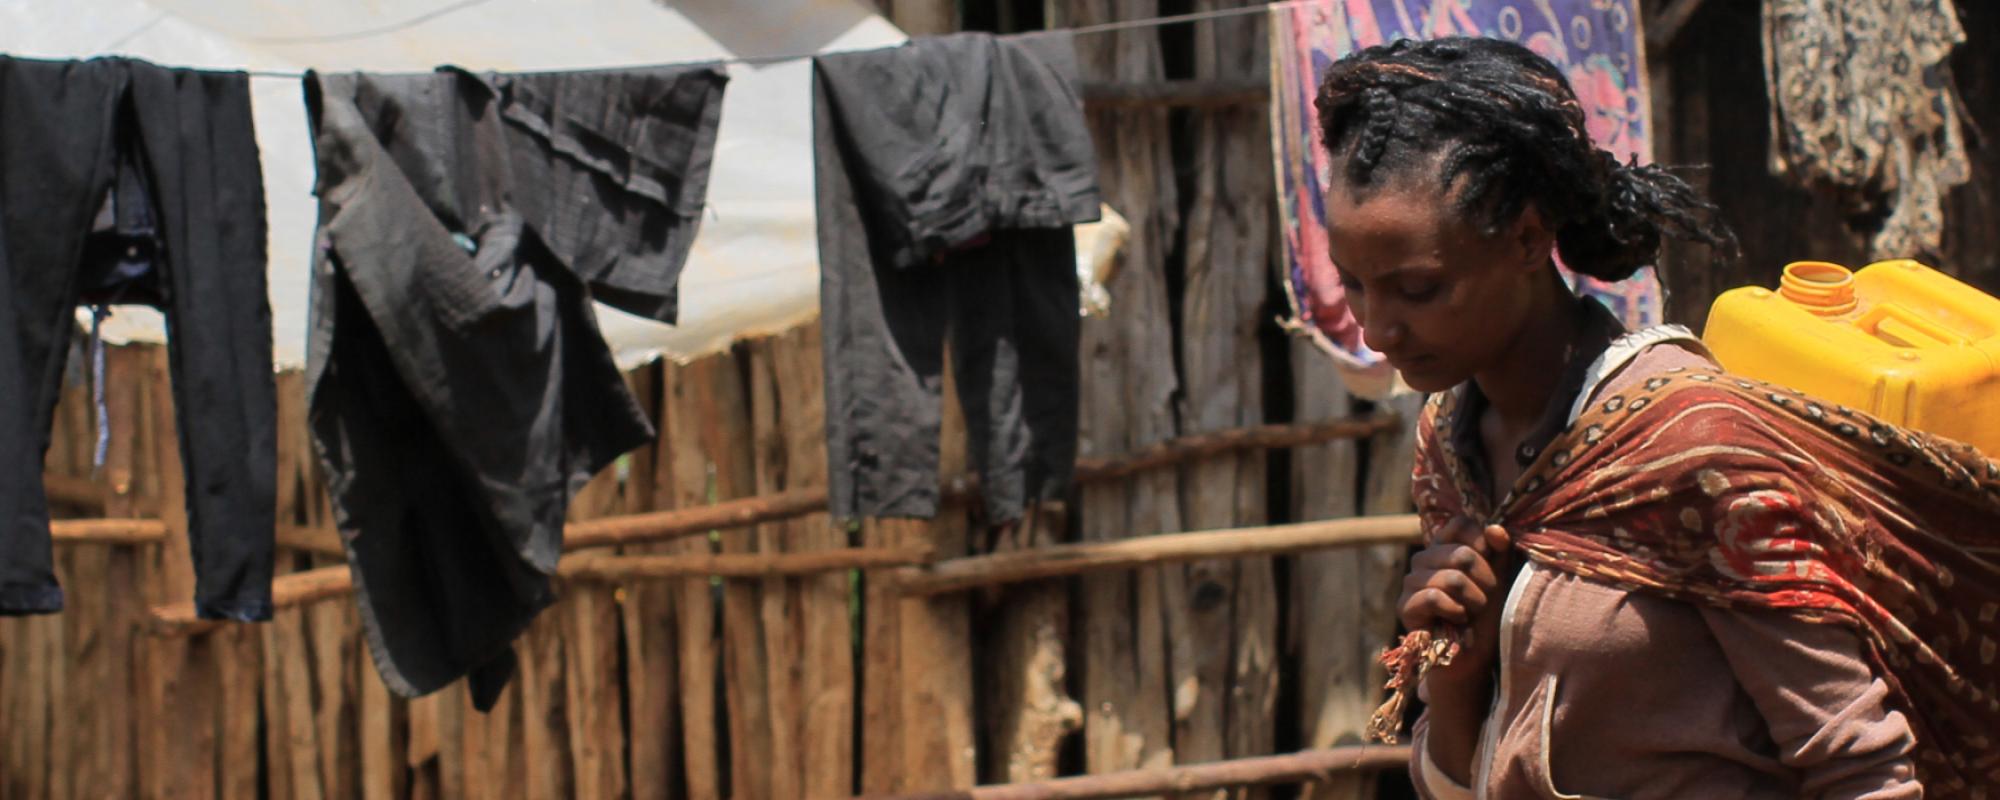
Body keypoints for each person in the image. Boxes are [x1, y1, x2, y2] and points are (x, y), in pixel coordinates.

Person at [1312, 37, 2000, 798]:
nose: (1377, 330)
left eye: (1417, 290)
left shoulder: (1694, 448)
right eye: (1354, 287)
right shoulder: (1449, 450)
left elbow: (1858, 766)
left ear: (1529, 240)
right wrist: (1457, 674)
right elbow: (1459, 778)